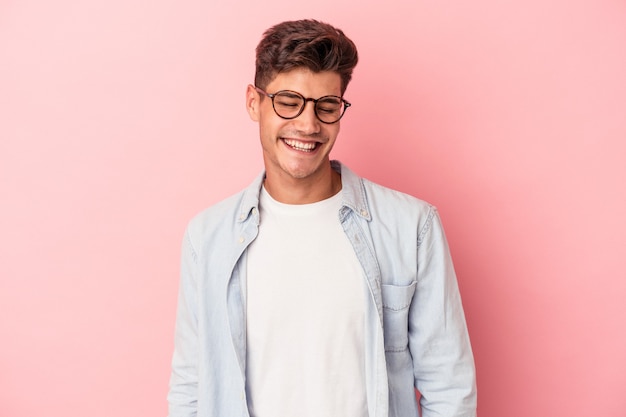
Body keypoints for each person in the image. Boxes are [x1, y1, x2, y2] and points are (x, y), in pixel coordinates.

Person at [167, 19, 477, 417]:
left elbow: (449, 387)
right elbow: (191, 387)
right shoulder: (208, 238)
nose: (308, 125)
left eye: (326, 106)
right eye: (289, 101)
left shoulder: (411, 227)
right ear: (253, 102)